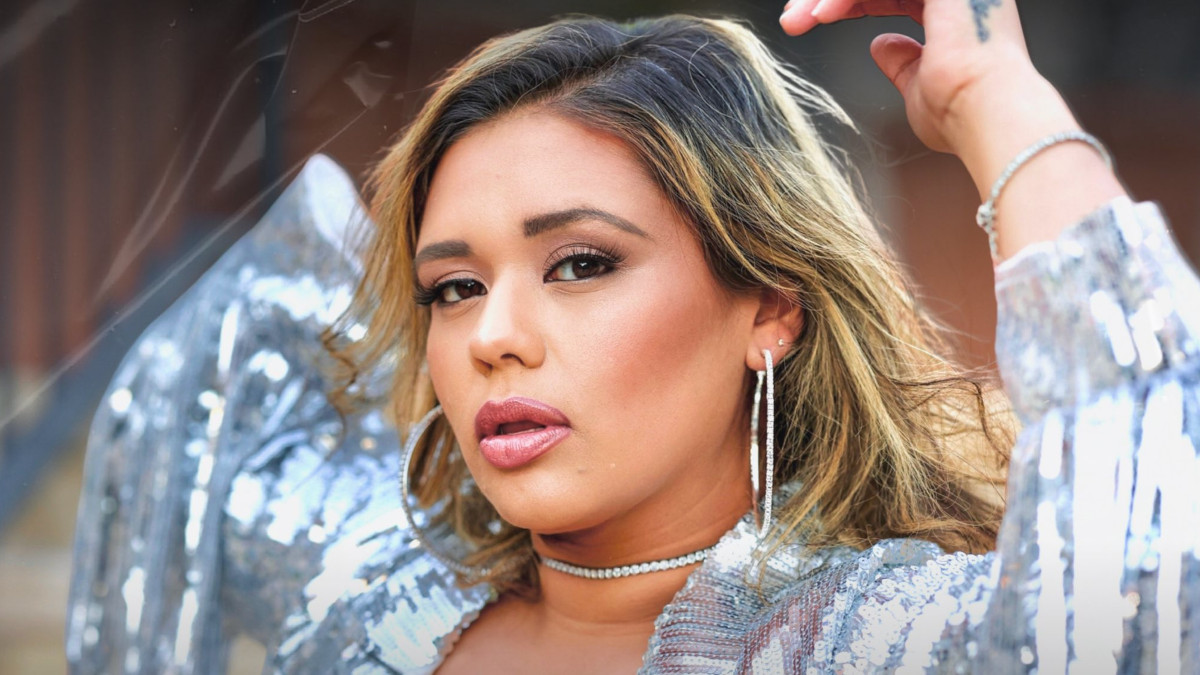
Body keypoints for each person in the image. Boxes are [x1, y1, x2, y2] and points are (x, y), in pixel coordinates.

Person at [67, 0, 1200, 672]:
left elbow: (1146, 585)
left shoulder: (883, 641)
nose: (493, 336)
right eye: (453, 286)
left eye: (581, 264)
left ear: (770, 308)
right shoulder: (359, 600)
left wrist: (995, 96)